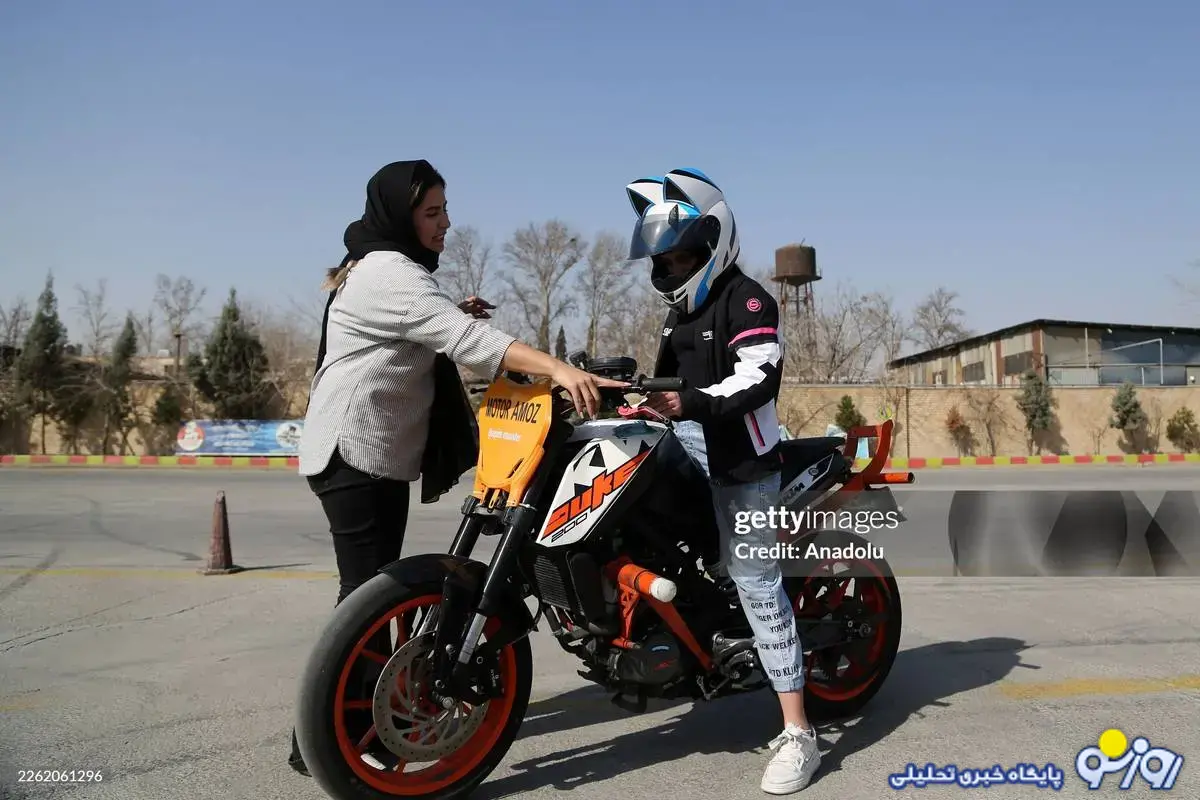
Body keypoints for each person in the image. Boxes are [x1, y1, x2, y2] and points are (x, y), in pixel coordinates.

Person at [289, 159, 625, 776]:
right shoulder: (390, 272)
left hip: (359, 452)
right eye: (431, 212)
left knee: (364, 600)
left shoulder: (378, 266)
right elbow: (467, 342)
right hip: (354, 454)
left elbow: (424, 323)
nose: (445, 223)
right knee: (366, 603)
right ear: (400, 216)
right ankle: (335, 738)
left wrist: (452, 309)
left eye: (445, 209)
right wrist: (558, 367)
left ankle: (332, 733)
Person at [625, 168, 821, 794]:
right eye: (664, 259)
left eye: (682, 255)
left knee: (757, 582)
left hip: (743, 459)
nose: (671, 267)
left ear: (713, 243)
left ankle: (798, 732)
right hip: (691, 446)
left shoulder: (749, 299)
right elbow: (665, 386)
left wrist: (689, 403)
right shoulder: (677, 314)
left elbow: (759, 377)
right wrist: (634, 399)